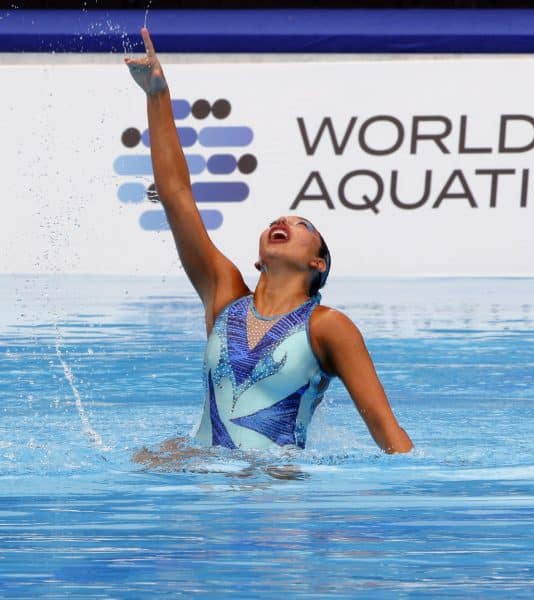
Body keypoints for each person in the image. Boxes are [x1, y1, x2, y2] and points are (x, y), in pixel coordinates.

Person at [125, 29, 412, 454]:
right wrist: (157, 94)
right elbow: (176, 195)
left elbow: (388, 433)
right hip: (196, 489)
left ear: (318, 264)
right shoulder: (223, 294)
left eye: (303, 225)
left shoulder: (328, 327)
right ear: (259, 259)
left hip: (275, 499)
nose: (283, 221)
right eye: (278, 220)